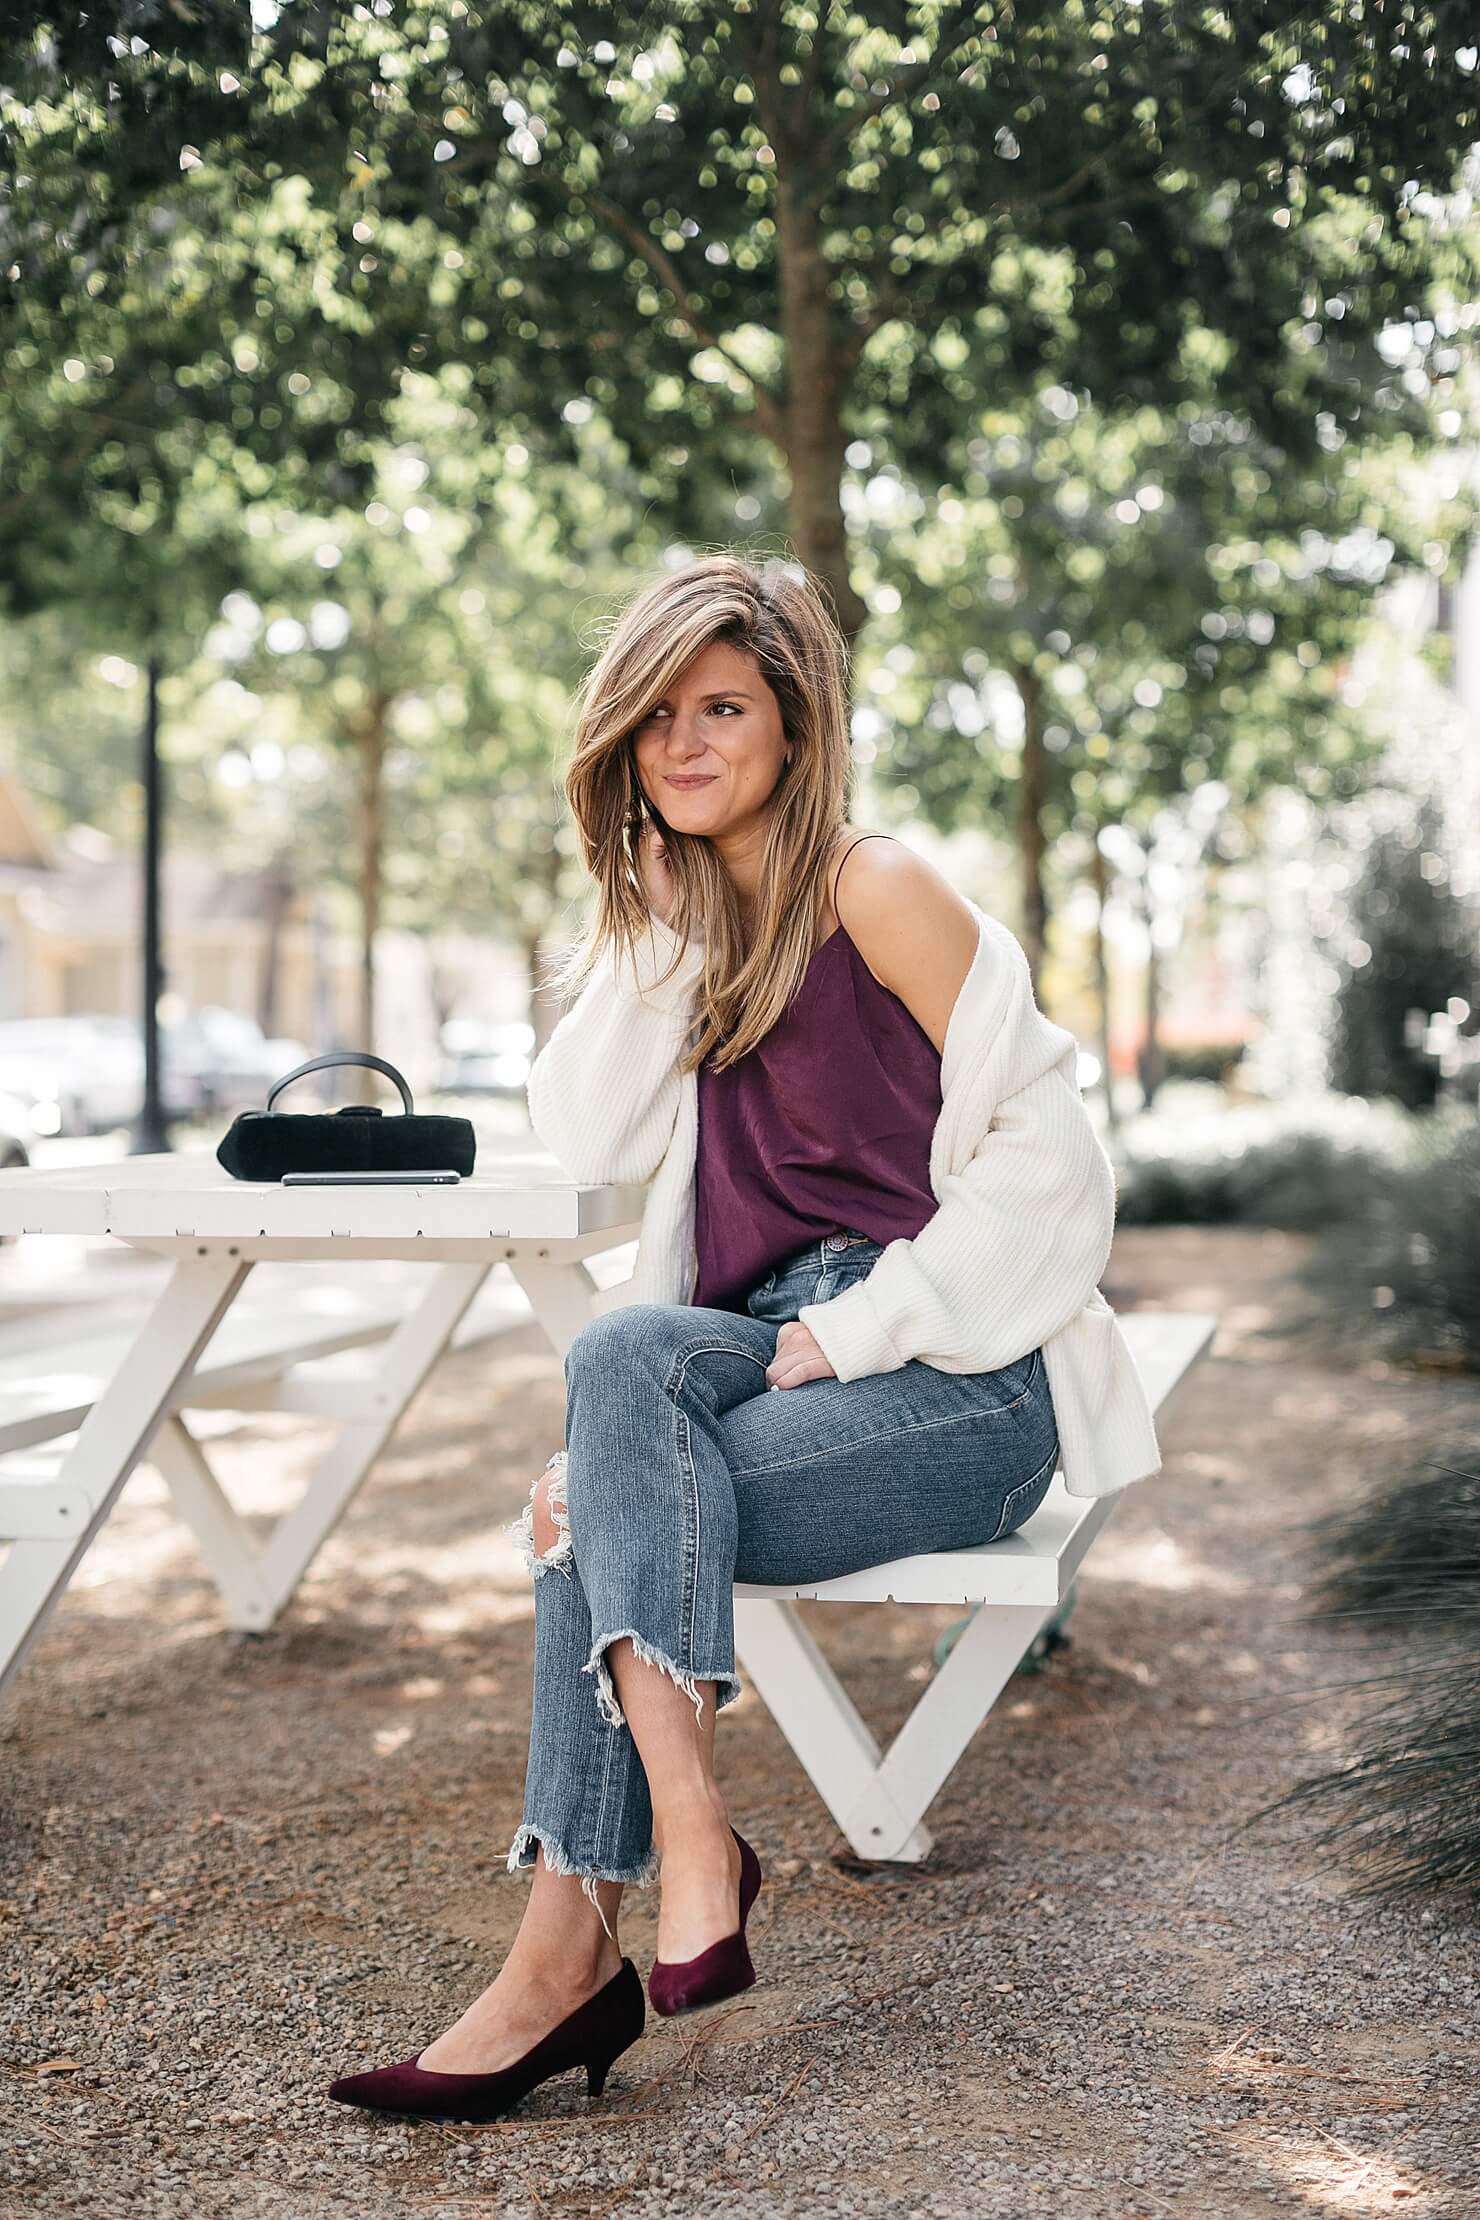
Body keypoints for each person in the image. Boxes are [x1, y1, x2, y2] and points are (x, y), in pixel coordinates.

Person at [327, 552, 1161, 2123]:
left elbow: (1056, 1172)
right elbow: (579, 1127)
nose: (684, 745)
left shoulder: (880, 888)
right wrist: (654, 929)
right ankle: (693, 1836)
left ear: (795, 721)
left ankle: (564, 1960)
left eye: (721, 708)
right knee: (612, 1368)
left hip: (957, 1377)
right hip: (754, 1346)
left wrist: (856, 1335)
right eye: (654, 718)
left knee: (592, 1522)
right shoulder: (689, 922)